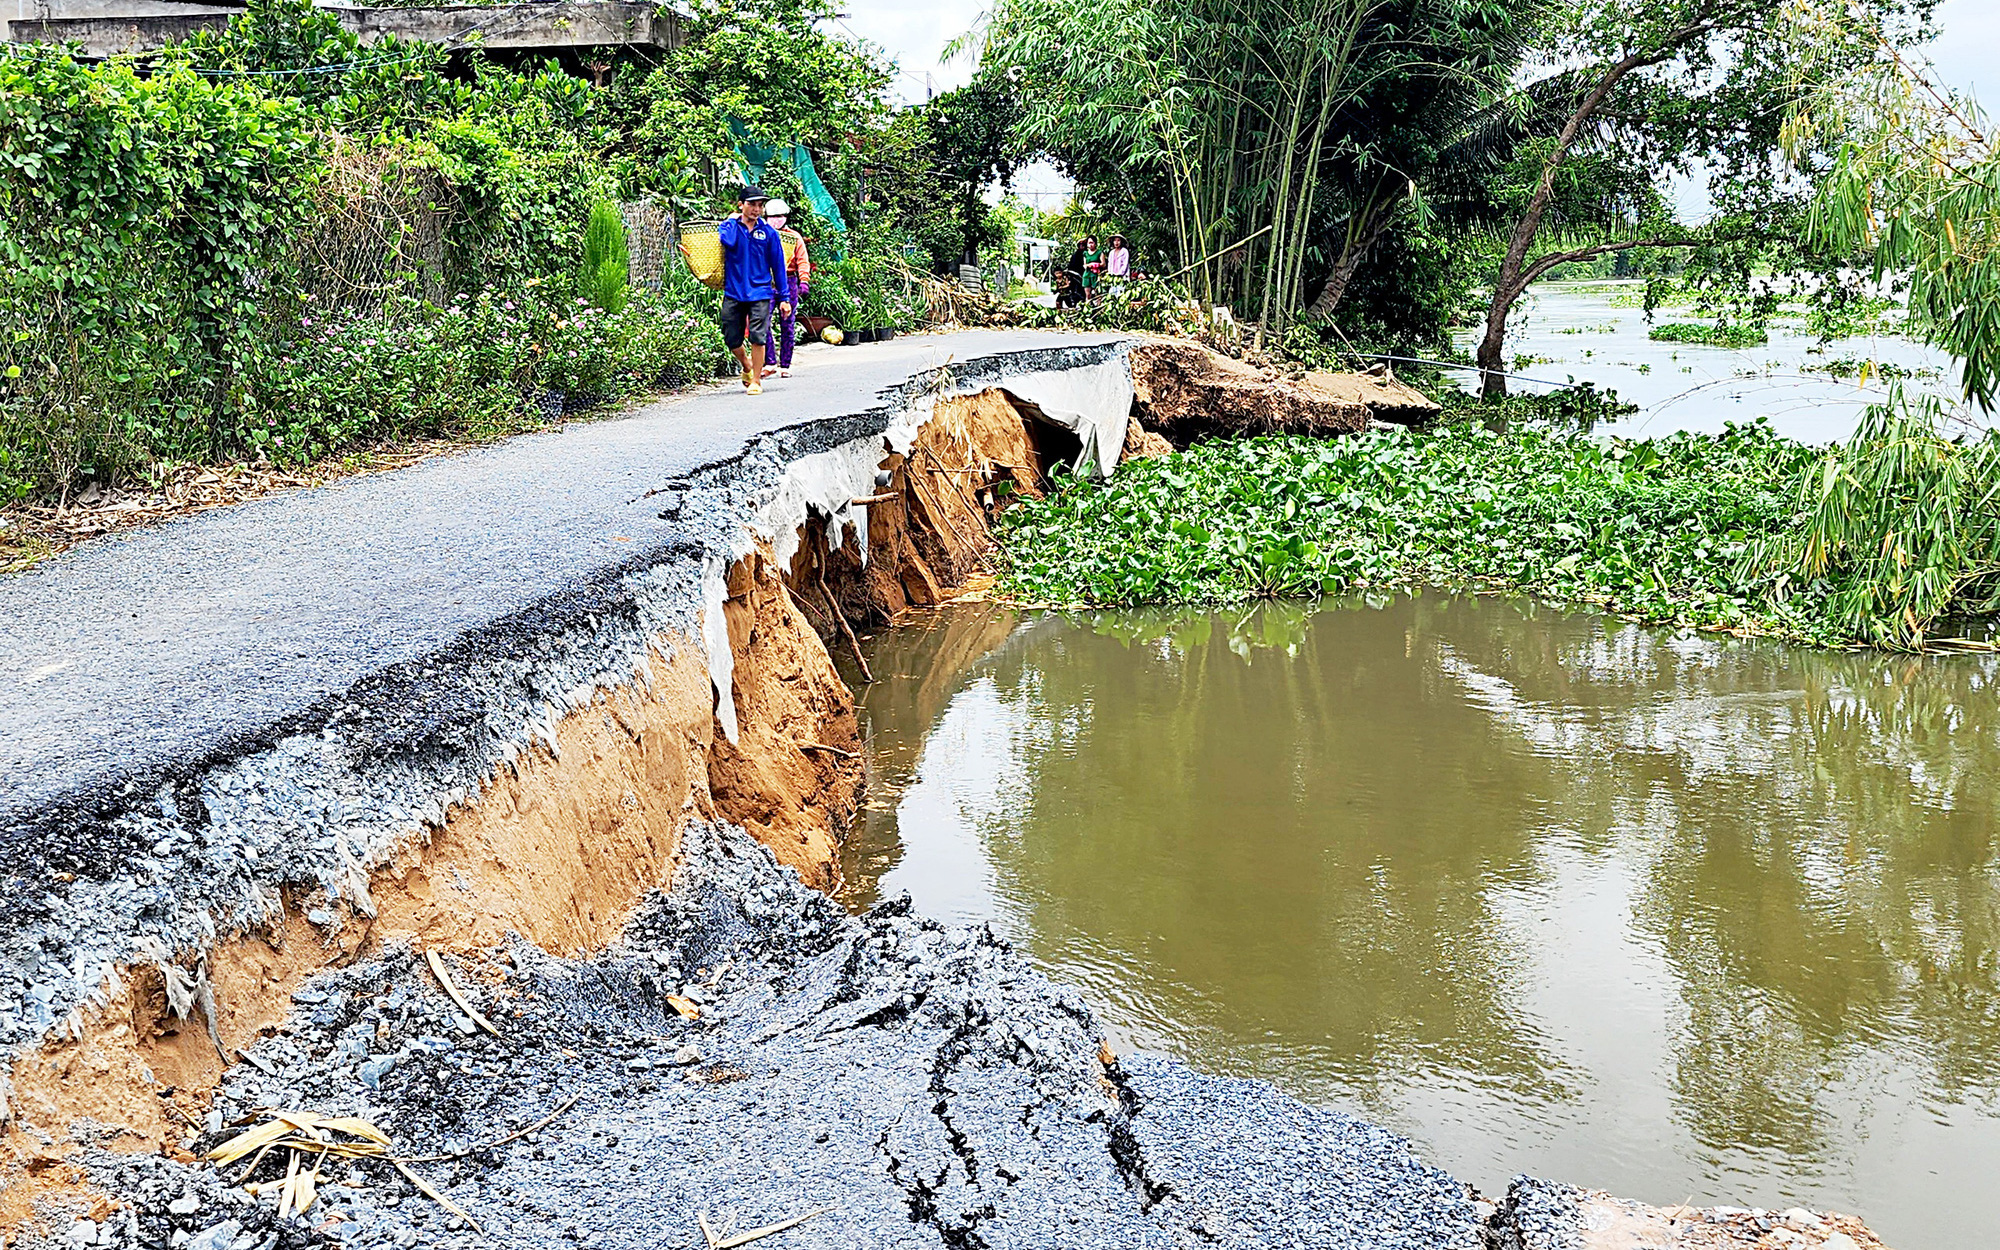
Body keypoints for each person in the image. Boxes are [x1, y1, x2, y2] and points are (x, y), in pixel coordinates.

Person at [717, 185, 791, 396]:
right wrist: (733, 220)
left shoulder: (768, 233)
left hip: (760, 292)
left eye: (760, 205)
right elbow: (727, 241)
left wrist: (784, 298)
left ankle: (756, 381)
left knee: (758, 336)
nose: (756, 210)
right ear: (741, 205)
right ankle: (747, 365)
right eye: (752, 205)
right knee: (731, 337)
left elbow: (778, 266)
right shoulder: (730, 227)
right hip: (734, 291)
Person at [763, 198, 811, 378]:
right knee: (762, 320)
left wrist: (803, 281)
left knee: (787, 324)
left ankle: (785, 365)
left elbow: (802, 260)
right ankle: (769, 361)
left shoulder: (794, 237)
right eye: (774, 216)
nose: (777, 219)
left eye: (781, 215)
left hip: (789, 281)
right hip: (766, 281)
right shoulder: (762, 234)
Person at [1079, 235, 1105, 301]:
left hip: (1096, 274)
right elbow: (1084, 265)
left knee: (1097, 294)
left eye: (1092, 243)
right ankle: (1088, 307)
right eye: (1089, 243)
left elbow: (1103, 264)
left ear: (1095, 243)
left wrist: (1095, 265)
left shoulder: (1099, 252)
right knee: (1088, 294)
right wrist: (1087, 265)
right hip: (1087, 274)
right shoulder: (1085, 253)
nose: (1090, 245)